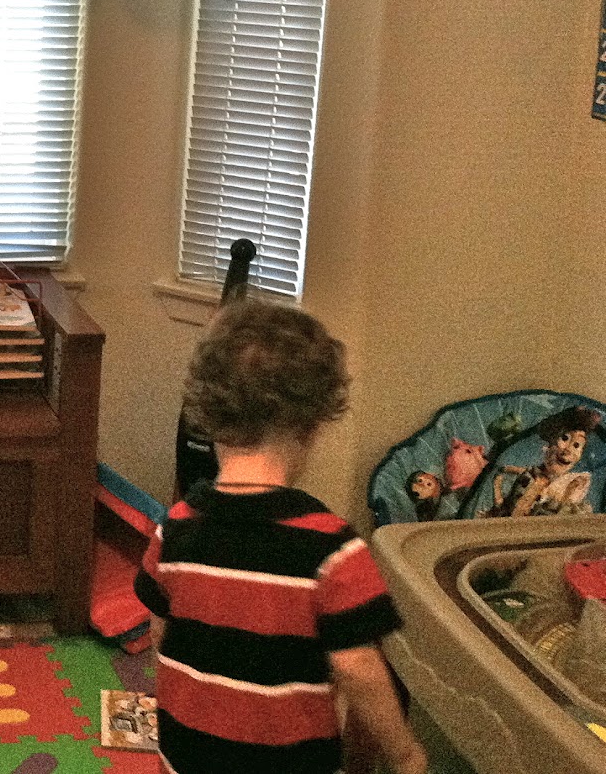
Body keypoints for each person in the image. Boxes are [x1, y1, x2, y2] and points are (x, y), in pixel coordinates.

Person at [135, 300, 427, 774]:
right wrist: (404, 752)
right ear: (312, 426)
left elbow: (160, 631)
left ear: (207, 420)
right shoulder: (332, 548)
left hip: (187, 751)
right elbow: (358, 668)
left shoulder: (175, 528)